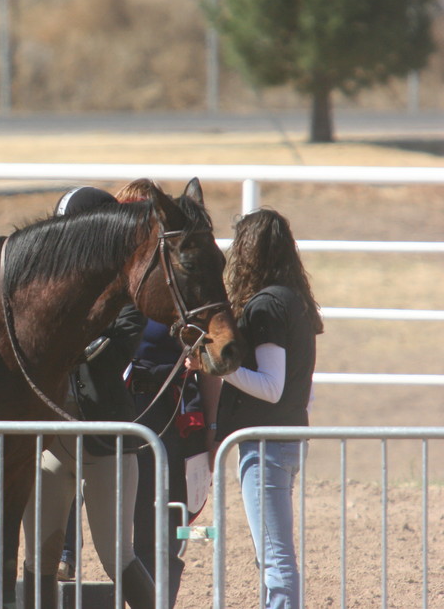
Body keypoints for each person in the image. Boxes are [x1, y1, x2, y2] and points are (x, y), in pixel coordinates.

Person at [20, 186, 155, 609]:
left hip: (106, 436)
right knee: (39, 557)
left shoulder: (128, 300)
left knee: (119, 555)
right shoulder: (38, 292)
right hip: (49, 438)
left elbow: (108, 356)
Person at [187, 208, 322, 609]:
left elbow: (272, 387)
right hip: (289, 437)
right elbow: (301, 389)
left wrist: (216, 367)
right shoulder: (296, 301)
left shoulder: (266, 307)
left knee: (276, 557)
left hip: (266, 445)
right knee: (272, 554)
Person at [117, 178, 213, 608]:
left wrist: (210, 431)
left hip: (171, 416)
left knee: (165, 526)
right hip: (119, 413)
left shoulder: (173, 289)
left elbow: (205, 356)